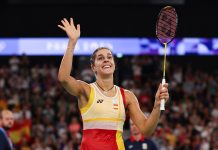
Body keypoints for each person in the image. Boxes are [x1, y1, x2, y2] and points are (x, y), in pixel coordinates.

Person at [57, 18, 169, 150]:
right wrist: (72, 43)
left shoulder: (127, 96)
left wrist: (156, 107)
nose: (106, 60)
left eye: (109, 57)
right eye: (100, 58)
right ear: (93, 67)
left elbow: (146, 130)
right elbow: (63, 78)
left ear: (114, 65)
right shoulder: (86, 90)